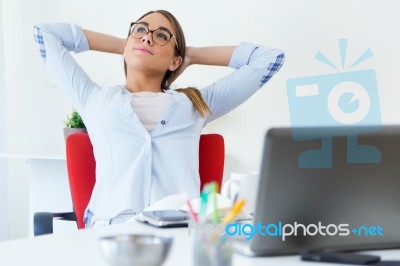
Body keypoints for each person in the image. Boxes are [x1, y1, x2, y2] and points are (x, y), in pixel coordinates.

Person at [34, 10, 284, 227]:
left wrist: (192, 55)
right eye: (141, 30)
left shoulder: (195, 104)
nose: (147, 36)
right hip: (112, 228)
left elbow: (269, 59)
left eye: (162, 35)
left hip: (178, 228)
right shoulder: (93, 98)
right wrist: (127, 44)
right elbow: (45, 34)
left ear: (176, 60)